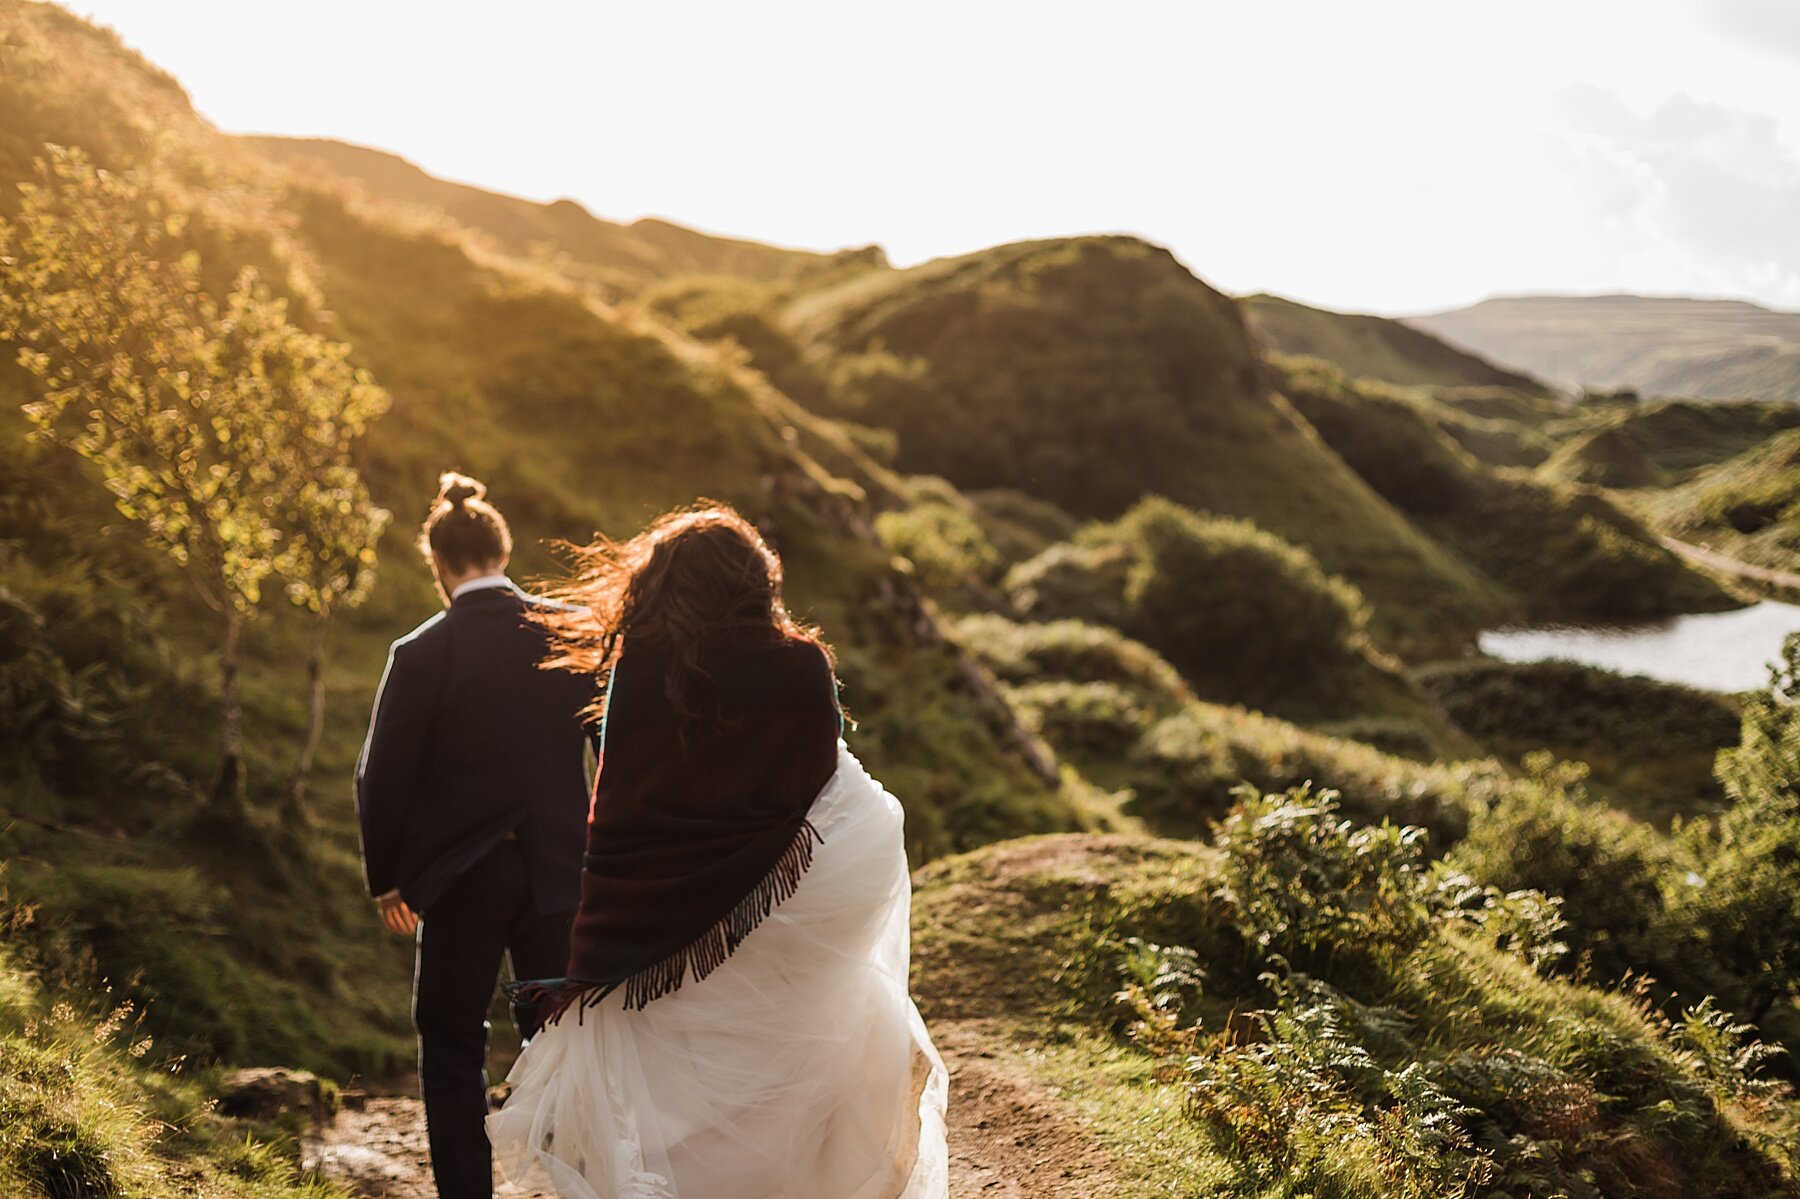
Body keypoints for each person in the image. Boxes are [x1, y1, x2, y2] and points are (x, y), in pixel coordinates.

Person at [488, 503, 949, 1199]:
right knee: (786, 1097)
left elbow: (613, 818)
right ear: (755, 582)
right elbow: (832, 804)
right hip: (782, 929)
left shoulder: (638, 676)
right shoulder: (801, 668)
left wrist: (596, 939)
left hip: (658, 942)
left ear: (665, 586)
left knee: (682, 1115)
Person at [356, 471, 598, 1199]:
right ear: (503, 548)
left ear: (438, 563)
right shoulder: (568, 628)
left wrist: (388, 880)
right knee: (560, 1044)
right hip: (559, 873)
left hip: (464, 881)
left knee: (453, 1041)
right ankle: (585, 1185)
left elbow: (381, 773)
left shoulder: (421, 651)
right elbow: (608, 748)